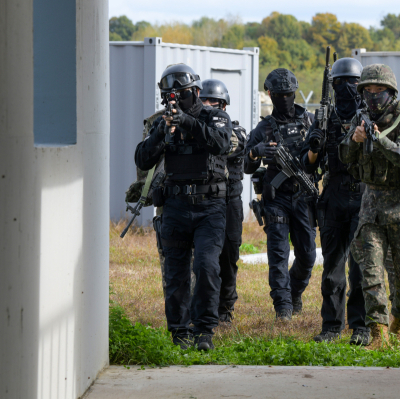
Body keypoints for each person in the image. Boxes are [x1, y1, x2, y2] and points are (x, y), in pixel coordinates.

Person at [134, 64, 232, 351]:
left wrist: (188, 123)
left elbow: (220, 144)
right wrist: (161, 132)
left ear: (197, 92)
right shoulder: (162, 122)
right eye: (170, 96)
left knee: (206, 266)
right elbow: (142, 160)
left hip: (209, 206)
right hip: (175, 205)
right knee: (175, 271)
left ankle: (204, 331)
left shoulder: (216, 116)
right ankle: (179, 331)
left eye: (183, 94)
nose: (176, 100)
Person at [339, 64, 400, 350]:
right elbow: (344, 155)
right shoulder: (360, 119)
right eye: (368, 91)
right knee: (370, 273)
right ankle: (378, 333)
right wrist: (355, 139)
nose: (373, 97)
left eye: (379, 91)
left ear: (391, 93)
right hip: (372, 209)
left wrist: (379, 139)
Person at [301, 57, 369, 345]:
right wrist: (315, 145)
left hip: (363, 195)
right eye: (339, 83)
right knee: (332, 266)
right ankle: (331, 325)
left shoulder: (369, 116)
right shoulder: (323, 117)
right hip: (333, 196)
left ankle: (361, 326)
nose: (345, 89)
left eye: (351, 83)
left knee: (361, 266)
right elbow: (307, 165)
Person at [243, 68, 316, 321]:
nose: (284, 98)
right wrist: (257, 152)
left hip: (304, 196)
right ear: (269, 94)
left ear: (294, 93)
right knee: (278, 256)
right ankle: (283, 307)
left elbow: (322, 156)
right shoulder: (264, 128)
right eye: (279, 94)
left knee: (308, 255)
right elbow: (246, 165)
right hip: (276, 200)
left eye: (288, 94)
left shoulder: (310, 121)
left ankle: (294, 292)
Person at [199, 79, 247, 323]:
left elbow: (227, 145)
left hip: (229, 203)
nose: (207, 105)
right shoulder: (195, 129)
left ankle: (225, 309)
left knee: (228, 257)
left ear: (224, 105)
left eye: (213, 102)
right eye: (203, 101)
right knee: (204, 259)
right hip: (205, 203)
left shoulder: (235, 131)